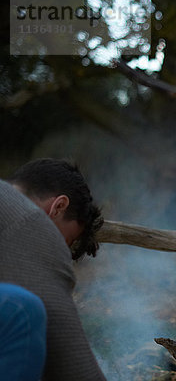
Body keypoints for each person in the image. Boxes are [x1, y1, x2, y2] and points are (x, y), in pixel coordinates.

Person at [1, 158, 106, 380]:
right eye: (65, 241)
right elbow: (72, 359)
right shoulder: (33, 222)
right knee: (21, 310)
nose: (61, 251)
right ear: (58, 207)